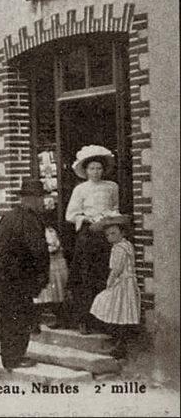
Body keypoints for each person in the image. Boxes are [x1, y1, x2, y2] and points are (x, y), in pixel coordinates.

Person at [0, 178, 49, 371]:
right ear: (32, 200)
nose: (42, 202)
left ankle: (10, 358)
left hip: (0, 276)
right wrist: (40, 276)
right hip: (16, 278)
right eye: (40, 199)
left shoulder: (9, 216)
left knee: (9, 317)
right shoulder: (30, 219)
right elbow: (37, 250)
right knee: (19, 318)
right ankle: (14, 359)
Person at [65, 145, 119, 334]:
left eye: (99, 168)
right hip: (88, 236)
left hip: (106, 235)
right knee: (86, 277)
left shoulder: (112, 187)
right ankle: (84, 320)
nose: (96, 172)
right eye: (92, 168)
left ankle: (104, 320)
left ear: (103, 170)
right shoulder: (81, 189)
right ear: (86, 171)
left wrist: (110, 218)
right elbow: (70, 215)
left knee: (105, 275)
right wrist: (86, 218)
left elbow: (115, 207)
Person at [89, 215, 140, 359]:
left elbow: (116, 269)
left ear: (122, 233)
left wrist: (109, 283)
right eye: (107, 235)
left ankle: (120, 345)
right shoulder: (127, 245)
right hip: (128, 282)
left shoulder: (119, 248)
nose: (110, 237)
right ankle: (119, 343)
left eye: (114, 233)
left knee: (110, 305)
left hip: (122, 284)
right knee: (121, 312)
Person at [33, 224, 70, 333]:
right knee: (42, 295)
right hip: (45, 265)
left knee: (55, 293)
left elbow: (53, 247)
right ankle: (35, 322)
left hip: (54, 264)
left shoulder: (50, 231)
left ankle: (62, 319)